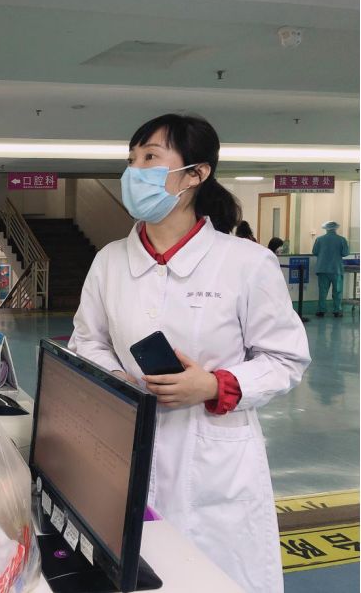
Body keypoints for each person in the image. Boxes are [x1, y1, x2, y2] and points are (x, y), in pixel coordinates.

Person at [69, 113, 310, 593]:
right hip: (125, 444)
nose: (135, 172)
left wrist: (215, 385)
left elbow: (286, 359)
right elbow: (87, 341)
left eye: (150, 158)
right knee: (136, 571)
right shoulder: (109, 261)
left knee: (215, 578)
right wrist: (119, 380)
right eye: (132, 160)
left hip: (215, 460)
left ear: (196, 174)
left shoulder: (246, 263)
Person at [312, 221, 350, 318]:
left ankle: (321, 311)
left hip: (322, 269)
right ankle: (337, 311)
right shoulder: (341, 239)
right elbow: (345, 253)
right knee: (337, 291)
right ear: (336, 228)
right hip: (336, 269)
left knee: (323, 291)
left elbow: (315, 252)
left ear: (325, 229)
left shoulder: (319, 239)